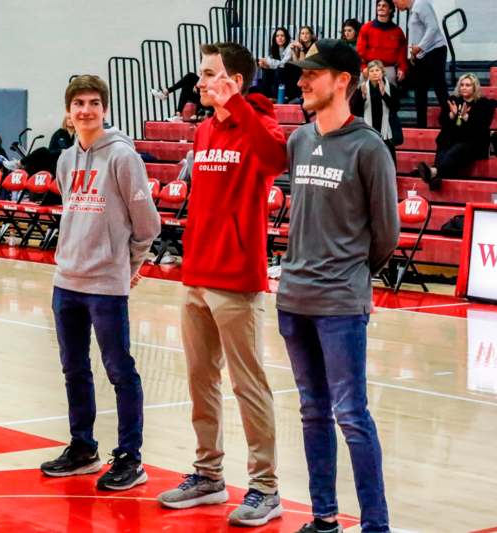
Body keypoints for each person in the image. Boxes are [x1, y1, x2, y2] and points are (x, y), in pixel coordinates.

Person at [156, 42, 287, 527]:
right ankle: (208, 475)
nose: (199, 82)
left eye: (209, 74)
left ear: (233, 79)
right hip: (197, 274)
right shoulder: (206, 128)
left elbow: (276, 160)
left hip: (236, 280)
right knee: (199, 380)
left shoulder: (261, 124)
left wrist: (240, 108)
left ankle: (265, 487)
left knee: (248, 385)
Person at [279, 38, 399, 533]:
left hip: (340, 303)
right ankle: (324, 516)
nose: (303, 82)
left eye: (313, 74)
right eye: (302, 74)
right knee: (312, 412)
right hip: (294, 296)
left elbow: (386, 233)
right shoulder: (298, 140)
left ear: (343, 80)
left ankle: (375, 525)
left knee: (351, 414)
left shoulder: (369, 148)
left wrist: (348, 274)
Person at [39, 75, 161, 492]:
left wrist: (128, 267)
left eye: (93, 103)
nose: (86, 110)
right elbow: (74, 213)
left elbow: (147, 225)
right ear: (69, 113)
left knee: (119, 369)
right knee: (74, 368)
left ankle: (130, 456)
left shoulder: (123, 157)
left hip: (107, 283)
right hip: (66, 279)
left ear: (104, 109)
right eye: (78, 104)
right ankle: (83, 448)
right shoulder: (65, 159)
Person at [418, 73, 495, 190]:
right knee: (444, 142)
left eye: (468, 85)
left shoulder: (483, 103)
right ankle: (435, 176)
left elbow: (482, 127)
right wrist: (452, 115)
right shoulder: (453, 100)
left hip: (473, 142)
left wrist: (465, 117)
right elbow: (442, 121)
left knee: (457, 148)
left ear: (475, 88)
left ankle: (434, 171)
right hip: (453, 139)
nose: (464, 87)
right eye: (462, 85)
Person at [392, 0, 449, 128]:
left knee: (439, 87)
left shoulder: (420, 4)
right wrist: (412, 54)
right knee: (420, 90)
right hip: (421, 54)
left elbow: (433, 27)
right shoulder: (412, 10)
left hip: (435, 50)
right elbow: (416, 33)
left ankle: (450, 118)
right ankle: (421, 125)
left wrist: (421, 47)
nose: (395, 7)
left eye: (396, 3)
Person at [350, 60, 403, 163]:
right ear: (368, 73)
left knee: (388, 159)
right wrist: (363, 97)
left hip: (386, 130)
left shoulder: (390, 88)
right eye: (372, 71)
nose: (374, 73)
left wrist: (384, 95)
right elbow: (355, 111)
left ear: (382, 72)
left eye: (377, 70)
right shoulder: (362, 88)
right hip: (368, 128)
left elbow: (396, 108)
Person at [357, 0, 408, 83]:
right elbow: (360, 51)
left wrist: (402, 69)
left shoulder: (398, 32)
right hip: (370, 67)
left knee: (389, 90)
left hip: (388, 68)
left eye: (384, 6)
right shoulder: (366, 28)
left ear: (390, 9)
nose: (380, 7)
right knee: (363, 91)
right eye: (379, 5)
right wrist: (363, 67)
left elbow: (402, 53)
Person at [258, 27, 297, 101]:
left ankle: (276, 97)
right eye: (277, 36)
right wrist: (265, 64)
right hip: (280, 71)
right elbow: (271, 59)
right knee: (266, 70)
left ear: (286, 37)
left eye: (282, 36)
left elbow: (283, 63)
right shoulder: (275, 48)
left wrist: (268, 62)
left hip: (290, 73)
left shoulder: (290, 46)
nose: (280, 38)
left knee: (278, 70)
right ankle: (265, 96)